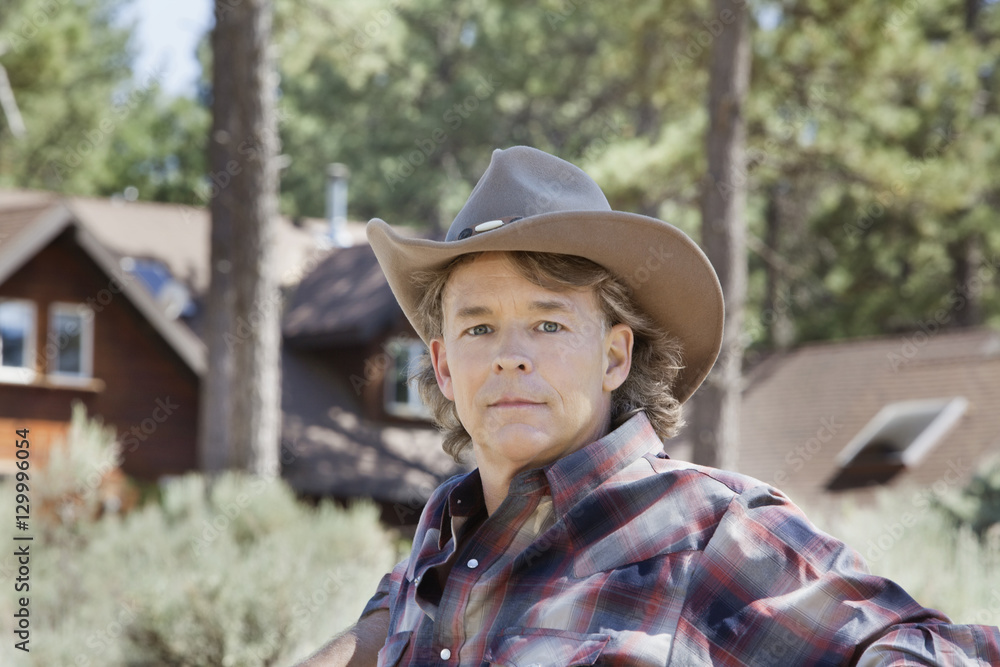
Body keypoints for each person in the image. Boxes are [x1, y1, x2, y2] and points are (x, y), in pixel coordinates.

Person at [296, 146, 1000, 666]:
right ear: (445, 365)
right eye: (479, 327)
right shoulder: (445, 534)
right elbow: (384, 625)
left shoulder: (704, 528)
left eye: (548, 323)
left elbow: (924, 652)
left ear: (614, 356)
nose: (511, 354)